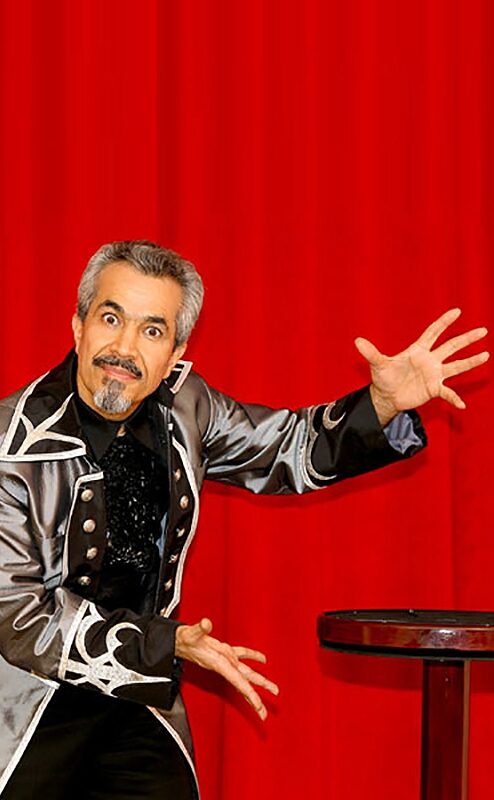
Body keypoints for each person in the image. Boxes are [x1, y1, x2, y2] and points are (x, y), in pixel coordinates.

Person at [0, 241, 488, 799]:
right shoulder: (11, 445)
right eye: (111, 319)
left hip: (138, 699)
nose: (124, 348)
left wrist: (382, 403)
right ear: (78, 326)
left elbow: (287, 450)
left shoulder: (187, 407)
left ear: (176, 353)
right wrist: (164, 644)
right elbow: (19, 618)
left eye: (152, 330)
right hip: (26, 706)